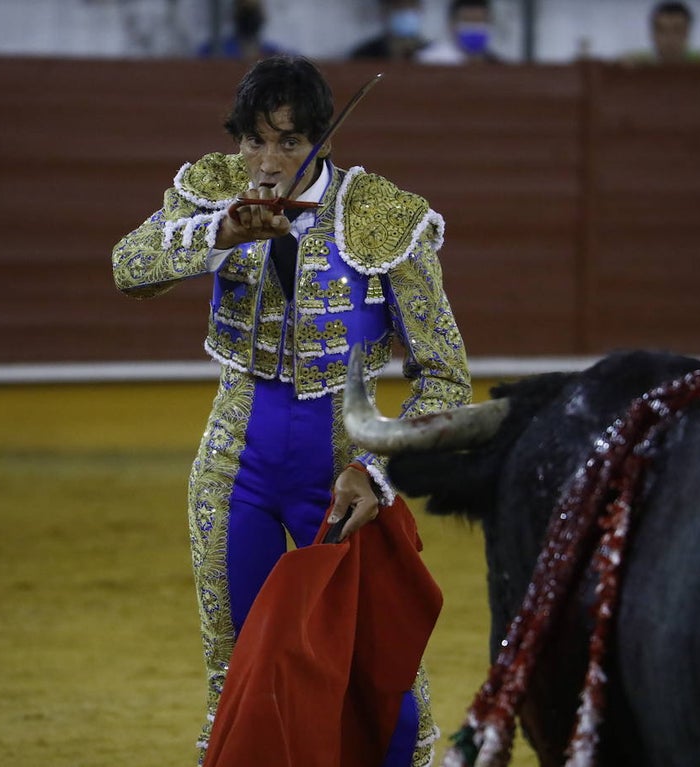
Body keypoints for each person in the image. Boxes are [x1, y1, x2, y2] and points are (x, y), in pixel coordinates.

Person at [111, 55, 471, 767]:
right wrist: (217, 235)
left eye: (286, 140)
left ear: (324, 140)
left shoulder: (383, 216)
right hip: (234, 462)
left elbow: (446, 378)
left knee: (380, 674)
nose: (266, 159)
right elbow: (128, 265)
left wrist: (377, 470)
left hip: (342, 471)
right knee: (241, 673)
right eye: (252, 139)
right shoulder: (213, 190)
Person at [621, 1, 700, 65]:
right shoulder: (638, 64)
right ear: (652, 34)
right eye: (662, 31)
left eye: (677, 30)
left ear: (687, 33)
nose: (669, 38)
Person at [196, 0, 288, 60]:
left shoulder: (274, 54)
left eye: (254, 10)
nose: (250, 17)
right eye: (245, 10)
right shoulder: (212, 51)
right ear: (235, 13)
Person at [418, 0, 501, 65]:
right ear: (451, 25)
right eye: (467, 21)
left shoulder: (496, 63)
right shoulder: (429, 61)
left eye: (479, 21)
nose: (474, 28)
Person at [350, 0, 430, 61]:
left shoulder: (433, 53)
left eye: (411, 6)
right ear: (384, 11)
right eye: (399, 7)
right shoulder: (365, 54)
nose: (405, 12)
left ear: (420, 10)